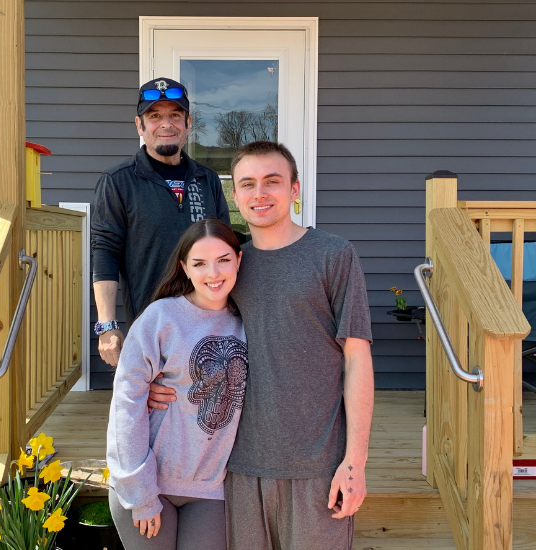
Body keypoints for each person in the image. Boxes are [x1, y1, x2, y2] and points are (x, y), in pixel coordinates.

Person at [149, 141, 375, 549]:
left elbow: (357, 359)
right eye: (248, 184)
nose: (260, 194)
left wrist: (355, 462)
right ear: (234, 196)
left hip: (318, 465)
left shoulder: (333, 255)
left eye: (273, 182)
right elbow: (188, 331)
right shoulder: (228, 267)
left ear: (294, 189)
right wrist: (155, 380)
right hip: (237, 464)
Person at [106, 218, 247, 550]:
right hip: (149, 481)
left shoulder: (249, 323)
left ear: (239, 261)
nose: (213, 273)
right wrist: (140, 492)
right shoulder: (161, 318)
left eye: (224, 260)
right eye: (199, 263)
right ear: (184, 267)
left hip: (210, 489)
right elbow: (127, 402)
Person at [91, 77, 231, 368]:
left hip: (210, 328)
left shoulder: (208, 180)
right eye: (154, 116)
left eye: (175, 115)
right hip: (150, 329)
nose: (166, 124)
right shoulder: (118, 181)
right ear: (139, 126)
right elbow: (105, 251)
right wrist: (106, 325)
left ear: (188, 123)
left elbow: (226, 247)